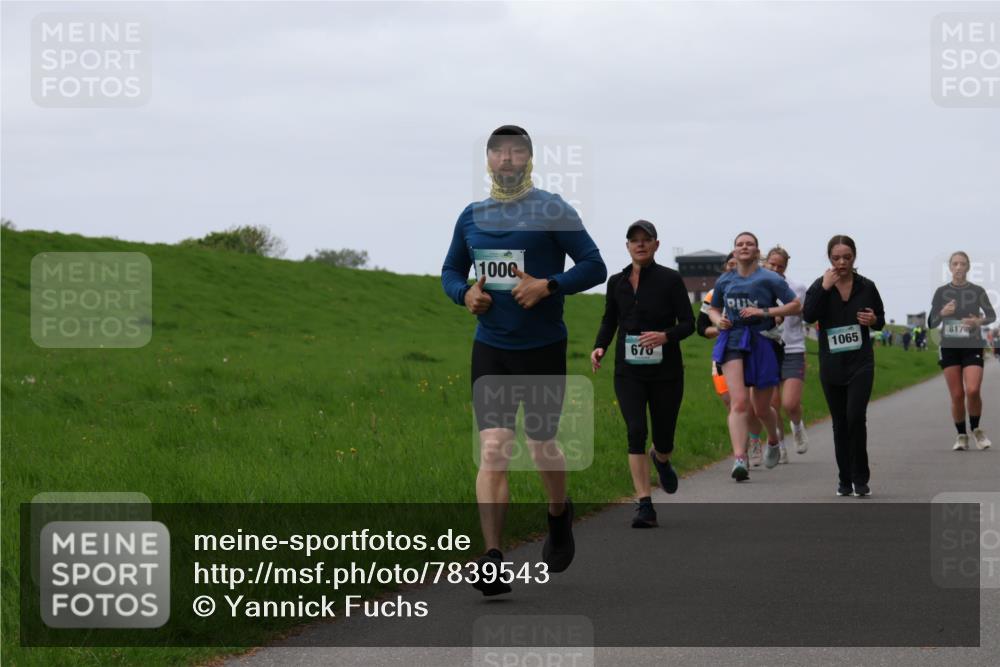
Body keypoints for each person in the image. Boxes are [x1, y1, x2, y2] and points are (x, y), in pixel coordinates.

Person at [441, 125, 607, 595]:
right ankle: (492, 557)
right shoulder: (472, 217)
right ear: (488, 161)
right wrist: (464, 293)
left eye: (516, 153)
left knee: (541, 446)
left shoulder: (552, 209)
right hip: (491, 346)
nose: (507, 160)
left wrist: (547, 285)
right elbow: (451, 270)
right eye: (498, 153)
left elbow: (594, 265)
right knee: (494, 448)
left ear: (529, 159)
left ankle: (558, 512)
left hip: (542, 347)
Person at [592, 220, 694, 528]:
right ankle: (644, 504)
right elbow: (610, 320)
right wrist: (600, 347)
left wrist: (665, 336)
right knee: (635, 430)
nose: (640, 244)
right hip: (628, 372)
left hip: (666, 372)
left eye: (645, 239)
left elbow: (688, 323)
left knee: (663, 438)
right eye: (634, 240)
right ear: (627, 246)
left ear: (656, 245)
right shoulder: (616, 282)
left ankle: (661, 458)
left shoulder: (671, 280)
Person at [707, 232, 801, 482]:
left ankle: (772, 439)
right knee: (739, 403)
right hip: (733, 340)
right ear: (734, 251)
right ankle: (739, 458)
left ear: (757, 251)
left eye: (749, 244)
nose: (744, 247)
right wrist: (719, 320)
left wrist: (763, 311)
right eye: (739, 244)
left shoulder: (769, 278)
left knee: (762, 408)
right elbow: (713, 309)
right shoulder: (725, 280)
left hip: (762, 341)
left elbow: (795, 305)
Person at [803, 235, 885, 497]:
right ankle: (844, 480)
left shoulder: (867, 286)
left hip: (861, 362)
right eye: (836, 258)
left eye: (846, 257)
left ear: (854, 257)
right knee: (840, 423)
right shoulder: (820, 286)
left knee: (855, 418)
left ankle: (861, 478)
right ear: (829, 258)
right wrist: (825, 288)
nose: (841, 262)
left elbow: (880, 321)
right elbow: (808, 315)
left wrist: (873, 319)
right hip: (832, 364)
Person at [927, 251, 995, 451]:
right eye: (955, 264)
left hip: (972, 344)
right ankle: (961, 435)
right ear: (949, 267)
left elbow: (991, 316)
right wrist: (942, 312)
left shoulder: (978, 290)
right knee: (957, 395)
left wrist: (978, 321)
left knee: (973, 390)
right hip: (949, 346)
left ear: (968, 267)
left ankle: (976, 430)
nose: (958, 267)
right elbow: (931, 322)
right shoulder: (941, 292)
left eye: (962, 264)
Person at [763, 246, 810, 462]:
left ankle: (797, 426)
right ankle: (779, 445)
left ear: (785, 268)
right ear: (765, 263)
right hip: (767, 349)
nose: (775, 269)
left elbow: (807, 315)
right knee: (772, 405)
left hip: (792, 348)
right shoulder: (756, 286)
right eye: (771, 264)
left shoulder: (797, 288)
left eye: (780, 266)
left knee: (790, 403)